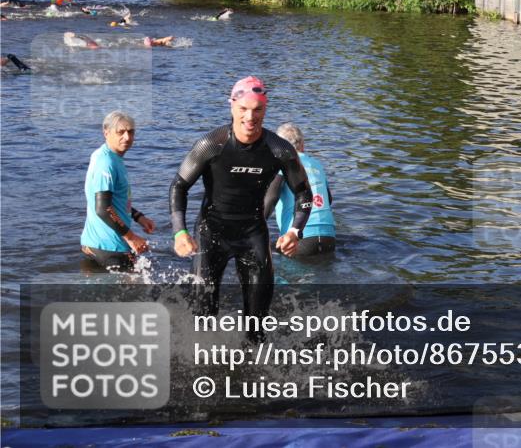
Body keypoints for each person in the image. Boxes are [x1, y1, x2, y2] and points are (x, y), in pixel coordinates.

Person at [169, 76, 311, 327]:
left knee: (257, 323)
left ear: (265, 109)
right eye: (243, 109)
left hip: (252, 233)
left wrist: (294, 232)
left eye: (257, 109)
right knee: (203, 318)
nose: (250, 117)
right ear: (231, 106)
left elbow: (304, 194)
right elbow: (179, 186)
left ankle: (253, 360)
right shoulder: (211, 144)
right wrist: (180, 232)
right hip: (211, 232)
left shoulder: (280, 150)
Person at [81, 111, 156, 271]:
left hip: (93, 244)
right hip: (110, 247)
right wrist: (131, 238)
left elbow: (114, 200)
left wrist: (138, 217)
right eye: (120, 132)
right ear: (106, 133)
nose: (127, 137)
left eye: (131, 132)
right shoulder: (106, 163)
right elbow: (103, 209)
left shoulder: (107, 156)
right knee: (136, 293)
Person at [264, 124, 336, 256]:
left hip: (299, 238)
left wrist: (254, 228)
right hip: (328, 237)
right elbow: (329, 200)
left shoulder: (282, 163)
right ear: (302, 143)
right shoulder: (317, 165)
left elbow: (271, 198)